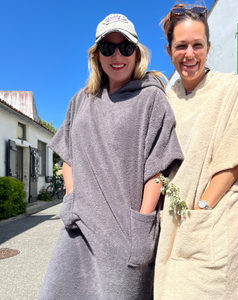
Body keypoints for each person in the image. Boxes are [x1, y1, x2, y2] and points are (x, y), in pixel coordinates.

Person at [38, 13, 183, 300]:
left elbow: (158, 168)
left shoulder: (152, 99)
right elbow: (68, 154)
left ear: (137, 53)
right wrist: (71, 197)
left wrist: (142, 226)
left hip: (124, 232)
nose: (117, 55)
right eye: (108, 47)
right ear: (97, 55)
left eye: (125, 47)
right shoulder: (81, 100)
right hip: (79, 225)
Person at [154, 3, 238, 299]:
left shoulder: (231, 88)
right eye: (181, 46)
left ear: (208, 47)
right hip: (172, 224)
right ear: (169, 51)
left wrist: (204, 206)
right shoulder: (166, 99)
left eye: (197, 45)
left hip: (216, 218)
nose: (189, 54)